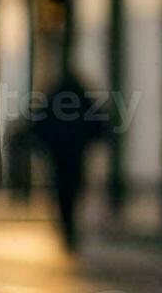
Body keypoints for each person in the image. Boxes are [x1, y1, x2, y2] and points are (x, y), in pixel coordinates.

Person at [29, 71, 108, 252]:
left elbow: (39, 125)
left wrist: (44, 145)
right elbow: (98, 123)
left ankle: (67, 225)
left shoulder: (54, 98)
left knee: (62, 192)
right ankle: (70, 226)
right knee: (75, 188)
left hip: (59, 156)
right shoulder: (81, 98)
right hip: (76, 154)